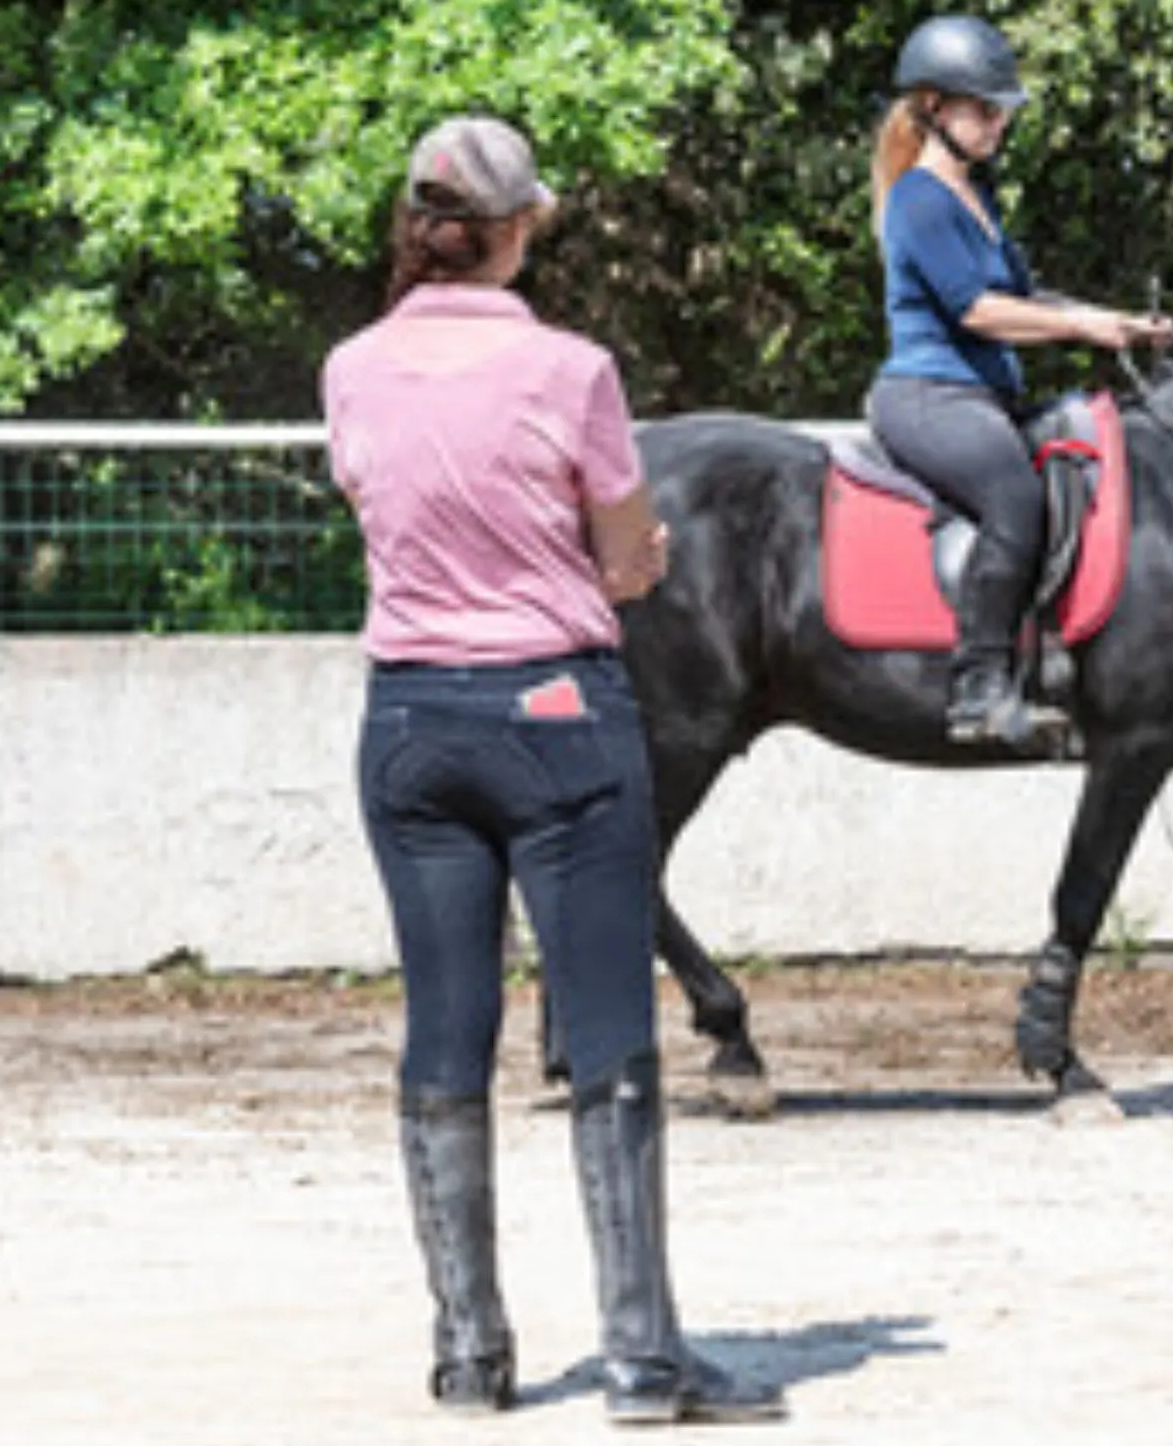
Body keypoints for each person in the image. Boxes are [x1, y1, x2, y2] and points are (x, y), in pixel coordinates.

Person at [320, 114, 785, 1427]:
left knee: (444, 1032)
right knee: (609, 1036)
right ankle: (643, 1362)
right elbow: (631, 556)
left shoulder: (349, 367)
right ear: (517, 231)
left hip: (409, 723)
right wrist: (619, 565)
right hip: (556, 713)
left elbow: (374, 502)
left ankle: (471, 1356)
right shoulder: (573, 369)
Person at [867, 14, 1173, 748]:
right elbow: (977, 311)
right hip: (926, 397)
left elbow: (1027, 297)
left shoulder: (979, 197)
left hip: (982, 398)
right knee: (1013, 496)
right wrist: (1081, 328)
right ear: (935, 109)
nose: (999, 121)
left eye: (1002, 108)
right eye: (984, 108)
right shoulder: (919, 198)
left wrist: (1116, 320)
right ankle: (979, 688)